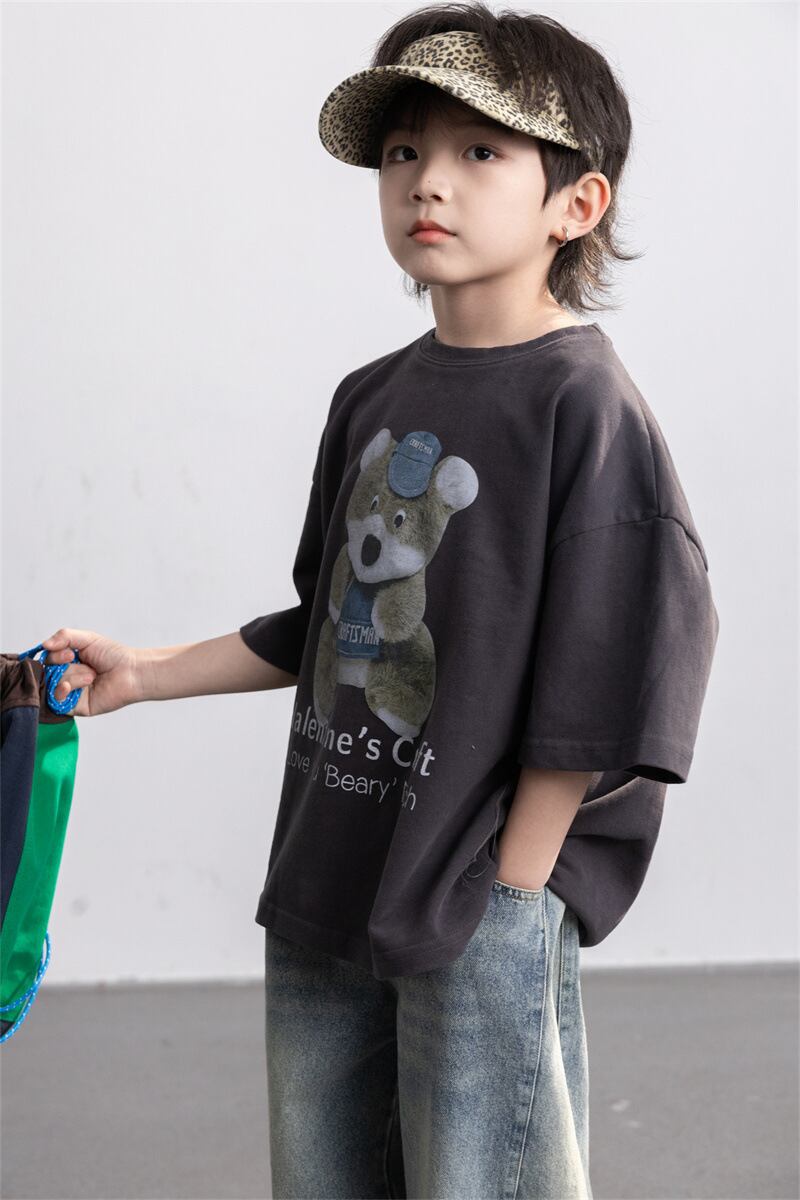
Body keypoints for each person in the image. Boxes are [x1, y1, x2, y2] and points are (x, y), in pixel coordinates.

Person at [39, 3, 720, 1197]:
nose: (426, 182)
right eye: (403, 151)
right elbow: (330, 623)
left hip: (470, 898)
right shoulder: (372, 396)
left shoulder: (583, 411)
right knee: (324, 1175)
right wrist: (141, 673)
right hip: (331, 871)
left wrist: (511, 887)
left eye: (478, 151)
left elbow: (613, 675)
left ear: (575, 205)